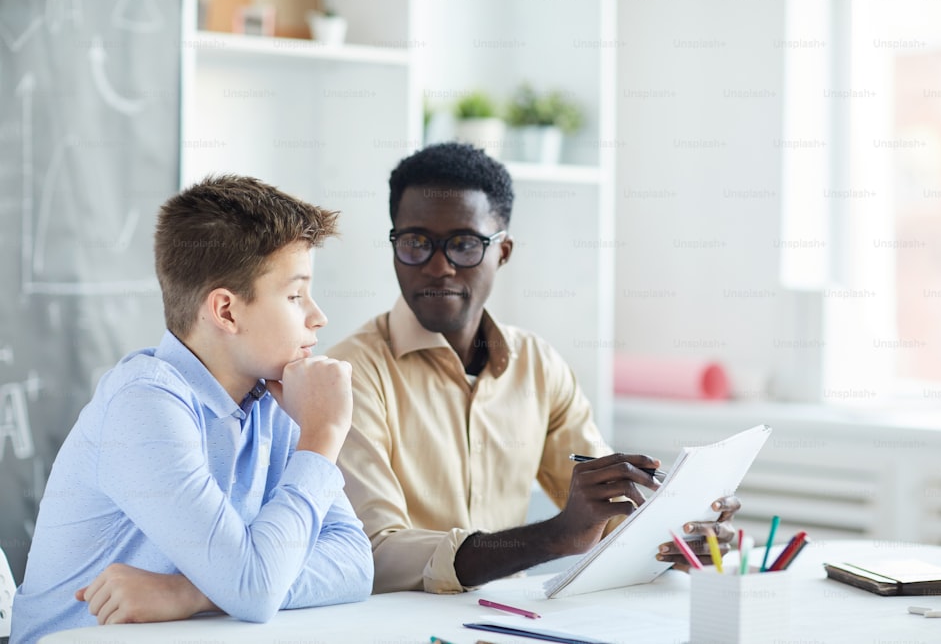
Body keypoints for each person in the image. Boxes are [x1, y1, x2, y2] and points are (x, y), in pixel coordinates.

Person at [327, 142, 739, 594]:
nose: (438, 266)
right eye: (416, 243)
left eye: (464, 244)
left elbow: (609, 511)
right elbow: (375, 553)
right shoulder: (349, 375)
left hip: (510, 624)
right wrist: (555, 536)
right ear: (394, 247)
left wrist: (675, 537)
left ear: (503, 251)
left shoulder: (538, 366)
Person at [12, 175, 374, 643]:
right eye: (295, 295)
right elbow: (255, 588)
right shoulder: (143, 403)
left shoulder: (276, 396)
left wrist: (191, 593)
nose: (317, 316)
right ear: (225, 311)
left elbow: (353, 562)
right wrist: (322, 436)